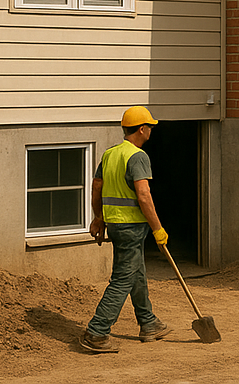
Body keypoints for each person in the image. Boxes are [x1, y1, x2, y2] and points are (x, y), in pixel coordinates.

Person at [81, 105, 172, 353]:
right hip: (132, 227)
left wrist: (99, 218)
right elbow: (143, 195)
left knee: (136, 273)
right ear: (142, 129)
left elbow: (97, 187)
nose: (151, 131)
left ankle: (148, 323)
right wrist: (158, 228)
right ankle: (97, 332)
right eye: (150, 127)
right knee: (122, 280)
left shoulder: (110, 154)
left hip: (116, 224)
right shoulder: (137, 156)